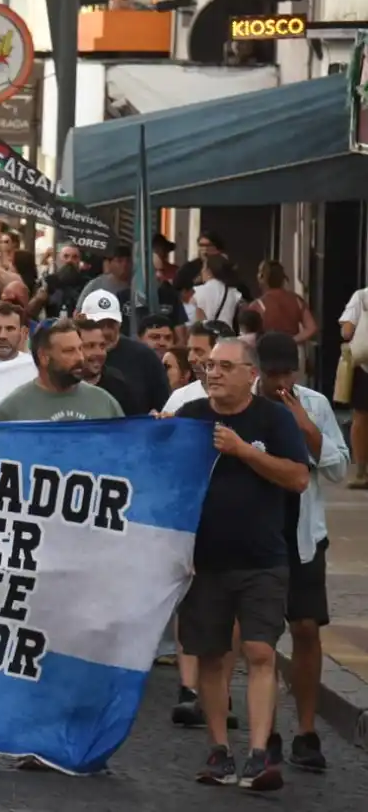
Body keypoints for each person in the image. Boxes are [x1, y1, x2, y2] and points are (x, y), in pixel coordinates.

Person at [174, 337, 308, 791]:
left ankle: (257, 754)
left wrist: (244, 450)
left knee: (260, 651)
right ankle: (219, 751)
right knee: (212, 656)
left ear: (250, 374)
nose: (213, 373)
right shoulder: (190, 417)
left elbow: (298, 478)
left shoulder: (273, 419)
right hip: (203, 561)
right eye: (209, 365)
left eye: (225, 366)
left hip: (262, 558)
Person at [255, 331, 347, 773]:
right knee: (262, 638)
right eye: (271, 373)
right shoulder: (242, 404)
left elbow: (339, 468)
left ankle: (306, 732)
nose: (279, 382)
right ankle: (264, 730)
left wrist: (307, 429)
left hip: (305, 534)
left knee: (307, 628)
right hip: (257, 535)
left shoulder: (314, 404)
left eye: (285, 373)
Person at [0, 319, 123, 423]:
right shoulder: (12, 410)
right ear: (44, 357)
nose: (80, 357)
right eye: (69, 351)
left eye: (80, 349)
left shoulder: (105, 403)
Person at [78, 290, 170, 413]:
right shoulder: (68, 359)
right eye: (98, 324)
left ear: (120, 323)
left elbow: (164, 407)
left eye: (111, 324)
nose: (106, 331)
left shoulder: (145, 357)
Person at [74, 318, 144, 416]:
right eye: (90, 346)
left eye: (102, 346)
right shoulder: (59, 385)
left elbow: (134, 426)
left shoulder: (119, 386)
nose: (99, 353)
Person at [341, 284, 368, 489]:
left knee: (360, 418)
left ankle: (361, 472)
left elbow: (347, 332)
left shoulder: (362, 296)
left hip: (364, 365)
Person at [193, 255, 244, 327]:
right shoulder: (234, 293)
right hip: (227, 336)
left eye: (203, 268)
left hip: (203, 336)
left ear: (209, 271)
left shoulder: (195, 292)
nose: (202, 271)